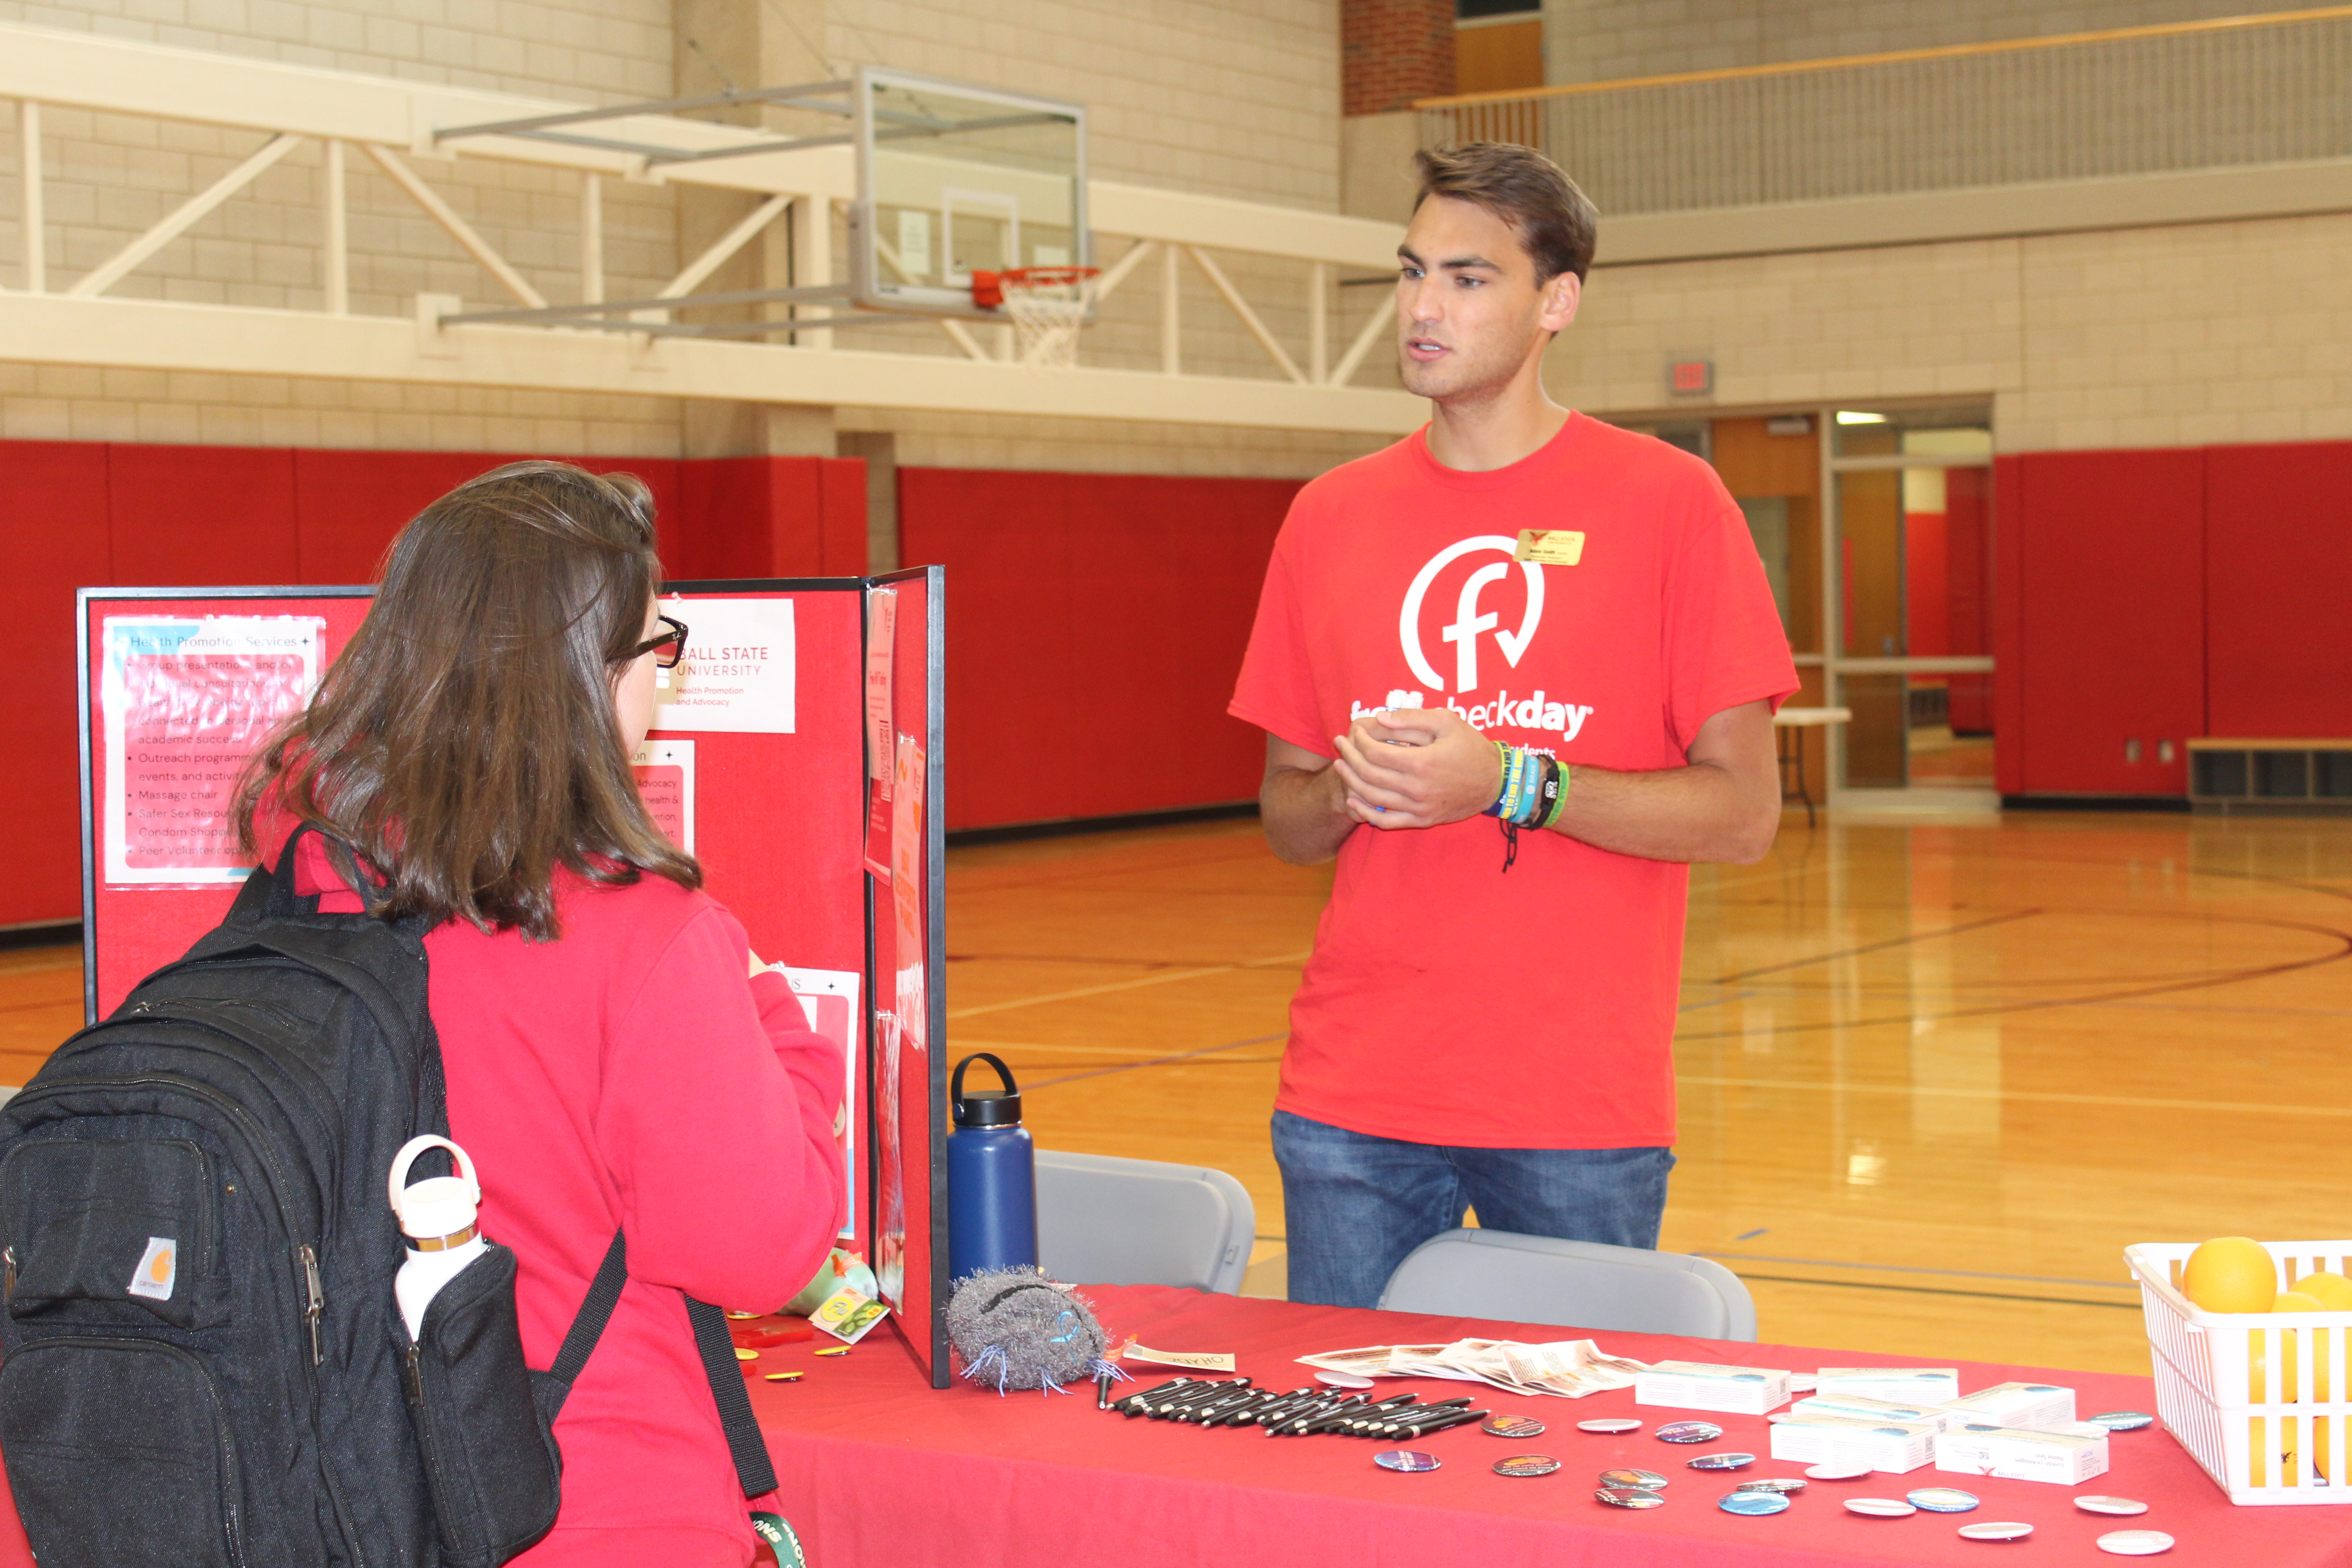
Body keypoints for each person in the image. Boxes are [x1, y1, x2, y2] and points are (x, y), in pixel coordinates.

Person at [235, 461, 845, 1567]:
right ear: (589, 675)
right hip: (582, 1504)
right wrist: (774, 1014)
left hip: (335, 1495)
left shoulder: (299, 885)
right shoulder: (640, 937)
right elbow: (765, 1252)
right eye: (658, 645)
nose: (661, 684)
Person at [1230, 143, 1798, 1309]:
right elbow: (1286, 818)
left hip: (1574, 1111)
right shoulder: (1327, 517)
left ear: (1559, 301)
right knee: (1346, 1463)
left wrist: (1507, 781)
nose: (1425, 308)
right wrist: (1354, 787)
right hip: (1351, 1103)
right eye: (1411, 272)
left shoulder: (1670, 504)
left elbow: (1743, 813)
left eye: (1470, 278)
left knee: (1562, 1470)